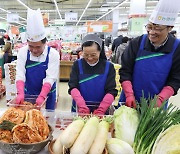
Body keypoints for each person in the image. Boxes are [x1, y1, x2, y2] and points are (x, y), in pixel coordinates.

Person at [119, 0, 180, 108]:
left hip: (157, 104)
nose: (152, 32)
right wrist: (129, 94)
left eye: (158, 28)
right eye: (149, 27)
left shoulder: (177, 48)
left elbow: (176, 78)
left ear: (170, 28)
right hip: (130, 100)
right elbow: (125, 71)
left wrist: (161, 98)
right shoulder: (137, 43)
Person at [15, 8, 60, 110]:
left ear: (45, 43)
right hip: (28, 93)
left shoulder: (53, 54)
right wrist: (20, 92)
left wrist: (42, 96)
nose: (34, 50)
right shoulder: (23, 52)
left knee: (47, 121)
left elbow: (50, 77)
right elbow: (20, 74)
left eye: (38, 47)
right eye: (31, 46)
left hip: (47, 94)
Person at [68, 34, 117, 115]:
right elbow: (73, 87)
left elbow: (111, 91)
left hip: (102, 110)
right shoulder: (77, 65)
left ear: (100, 51)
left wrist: (101, 109)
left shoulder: (108, 67)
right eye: (86, 55)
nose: (89, 58)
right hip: (80, 109)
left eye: (93, 55)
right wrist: (82, 106)